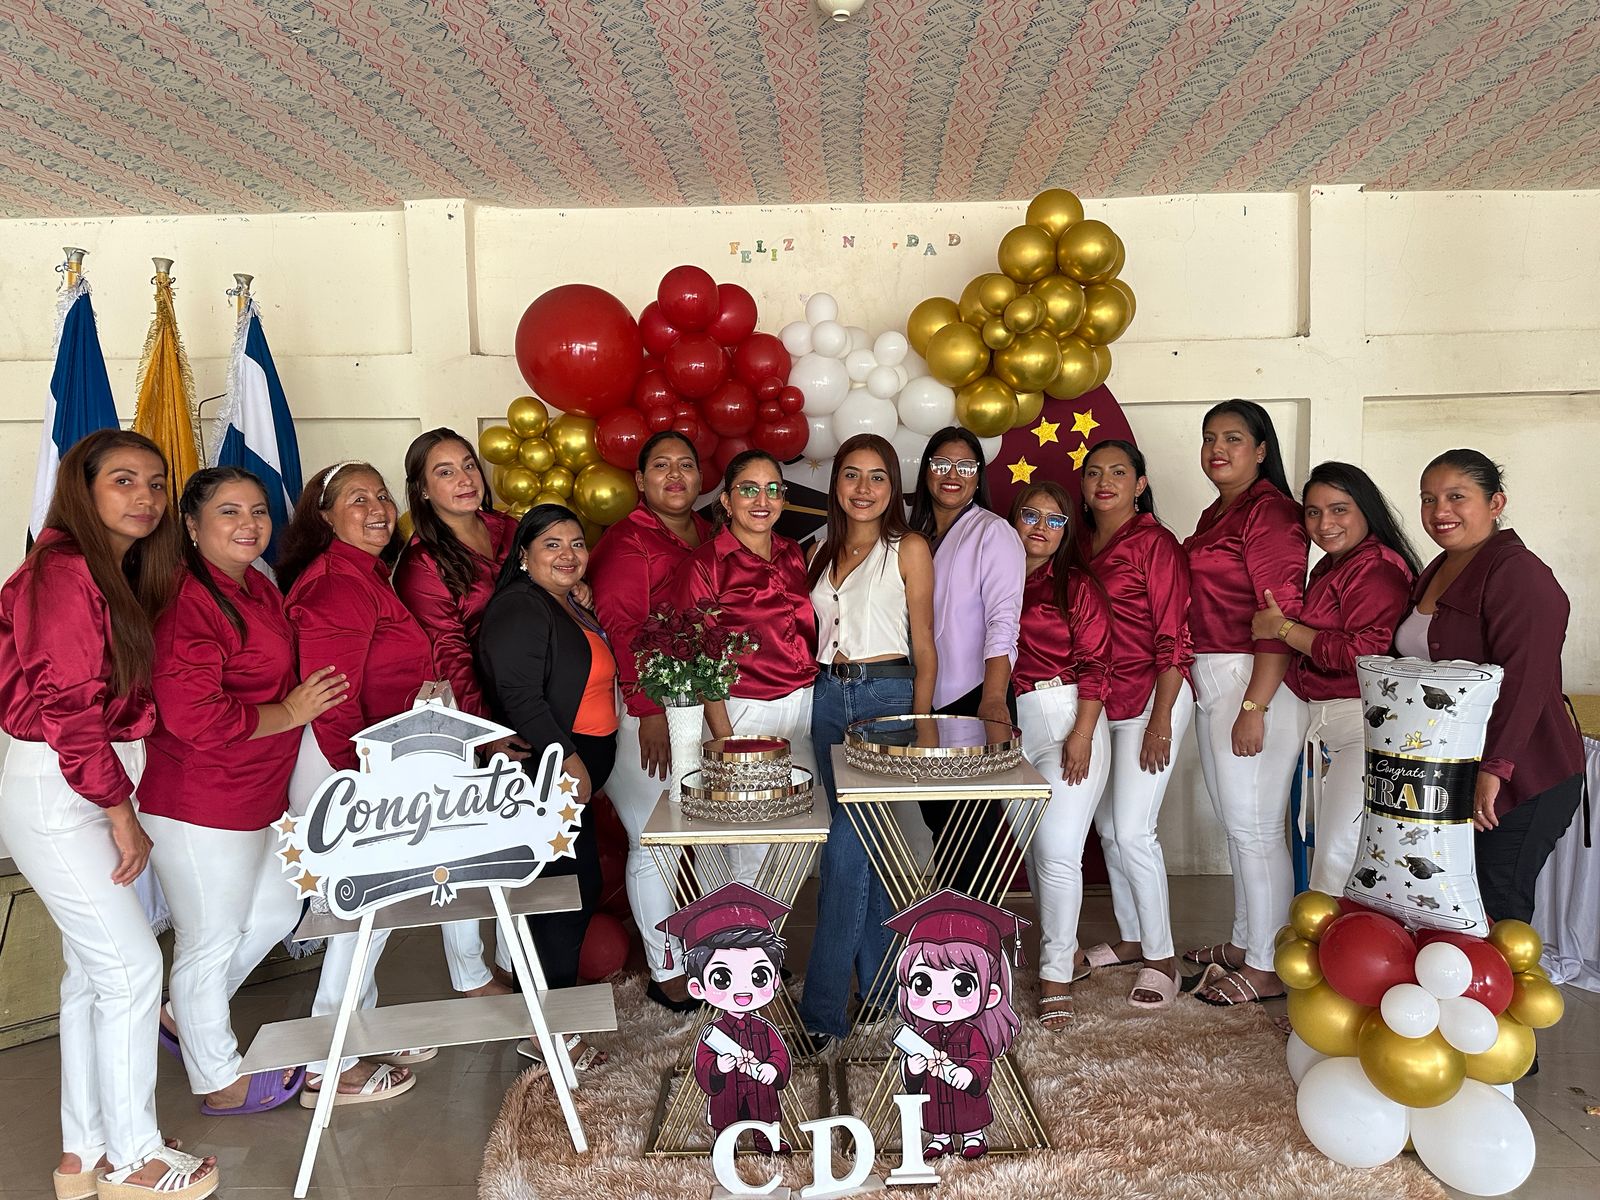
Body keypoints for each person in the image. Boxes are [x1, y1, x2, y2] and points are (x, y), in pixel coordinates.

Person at [0, 430, 222, 1200]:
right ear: (82, 489)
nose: (147, 497)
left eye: (157, 483)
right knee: (131, 970)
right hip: (67, 787)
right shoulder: (63, 569)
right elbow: (68, 707)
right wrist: (119, 810)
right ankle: (135, 1160)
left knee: (91, 975)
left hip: (91, 778)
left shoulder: (107, 571)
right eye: (123, 480)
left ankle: (84, 1152)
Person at [142, 468, 347, 1118]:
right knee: (210, 937)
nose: (249, 523)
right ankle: (218, 1078)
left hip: (262, 791)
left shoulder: (257, 584)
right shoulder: (186, 600)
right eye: (228, 512)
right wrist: (289, 712)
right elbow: (194, 716)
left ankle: (183, 1016)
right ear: (192, 526)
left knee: (276, 912)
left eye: (258, 510)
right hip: (201, 797)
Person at [278, 460, 432, 1106]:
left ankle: (357, 1029)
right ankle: (327, 1061)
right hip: (343, 762)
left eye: (381, 495)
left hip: (367, 759)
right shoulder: (336, 584)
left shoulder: (363, 574)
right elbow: (332, 697)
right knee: (362, 908)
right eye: (356, 499)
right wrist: (362, 780)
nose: (377, 508)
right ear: (324, 515)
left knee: (374, 910)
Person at [1399, 450, 1583, 923]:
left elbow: (1526, 682)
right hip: (1453, 772)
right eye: (1428, 499)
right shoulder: (1439, 569)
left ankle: (1503, 979)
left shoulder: (1518, 573)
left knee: (1496, 906)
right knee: (1448, 905)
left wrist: (1495, 768)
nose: (1440, 511)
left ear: (1496, 503)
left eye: (1456, 497)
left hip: (1522, 774)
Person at [797, 434, 937, 1049]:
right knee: (866, 849)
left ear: (893, 487)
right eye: (851, 475)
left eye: (877, 477)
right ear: (836, 483)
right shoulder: (817, 551)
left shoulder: (908, 548)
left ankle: (822, 1011)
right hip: (826, 697)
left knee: (845, 851)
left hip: (886, 701)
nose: (863, 488)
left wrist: (924, 720)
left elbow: (926, 641)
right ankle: (881, 992)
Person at [478, 504, 616, 1072]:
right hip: (549, 771)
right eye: (552, 544)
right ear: (523, 555)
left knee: (572, 890)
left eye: (576, 543)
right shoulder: (520, 606)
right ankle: (546, 1033)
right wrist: (568, 760)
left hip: (571, 767)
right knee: (560, 896)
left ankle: (547, 1019)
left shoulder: (561, 602)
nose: (568, 554)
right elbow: (520, 697)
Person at [1181, 401, 1309, 1007]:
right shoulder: (1218, 511)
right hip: (1216, 674)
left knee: (1256, 830)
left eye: (1233, 438)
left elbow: (1280, 615)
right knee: (1238, 827)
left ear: (1261, 450)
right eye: (1209, 437)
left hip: (1253, 677)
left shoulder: (1272, 512)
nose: (1217, 449)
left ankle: (1266, 966)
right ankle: (1244, 942)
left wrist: (1255, 705)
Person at [1251, 462, 1418, 895]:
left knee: (1338, 857)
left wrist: (1282, 629)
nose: (1325, 523)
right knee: (1330, 853)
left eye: (1339, 509)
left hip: (1366, 727)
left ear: (1366, 509)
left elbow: (1364, 653)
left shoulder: (1376, 566)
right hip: (1332, 726)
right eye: (1313, 512)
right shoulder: (1330, 566)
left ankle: (1339, 940)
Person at [394, 428, 520, 999]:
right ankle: (470, 974)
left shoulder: (508, 530)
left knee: (518, 840)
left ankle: (511, 959)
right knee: (466, 849)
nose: (464, 478)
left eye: (468, 465)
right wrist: (484, 731)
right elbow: (447, 652)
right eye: (444, 471)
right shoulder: (423, 562)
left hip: (528, 698)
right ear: (422, 490)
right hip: (469, 713)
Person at [588, 431, 712, 1013]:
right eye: (661, 465)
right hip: (647, 711)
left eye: (685, 464)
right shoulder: (626, 542)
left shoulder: (709, 532)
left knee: (704, 837)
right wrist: (648, 710)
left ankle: (716, 948)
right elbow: (621, 628)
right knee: (654, 838)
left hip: (701, 706)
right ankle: (666, 971)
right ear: (639, 480)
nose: (675, 475)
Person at [1078, 439, 1195, 1008]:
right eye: (1094, 473)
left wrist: (1161, 719)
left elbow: (1175, 638)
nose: (1105, 482)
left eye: (1118, 472)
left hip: (1153, 697)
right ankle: (1131, 938)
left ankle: (1163, 959)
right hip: (1101, 703)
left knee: (1133, 831)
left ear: (1140, 484)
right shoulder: (1079, 544)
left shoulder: (1155, 543)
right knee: (1107, 829)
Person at [677, 450, 819, 886]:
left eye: (773, 489)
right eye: (749, 489)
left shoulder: (793, 553)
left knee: (799, 842)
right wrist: (726, 740)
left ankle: (765, 933)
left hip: (804, 709)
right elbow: (697, 659)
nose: (763, 500)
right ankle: (733, 932)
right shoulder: (706, 564)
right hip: (745, 713)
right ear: (726, 500)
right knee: (747, 850)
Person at [1005, 482, 1112, 1026]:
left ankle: (1055, 978)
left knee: (1058, 852)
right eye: (1031, 515)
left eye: (1055, 520)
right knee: (1034, 848)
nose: (1041, 528)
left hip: (1067, 716)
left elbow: (1097, 664)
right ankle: (1064, 953)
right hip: (1011, 724)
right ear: (1013, 519)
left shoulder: (1075, 584)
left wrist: (1082, 733)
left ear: (1068, 531)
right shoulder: (997, 578)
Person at [907, 427, 1024, 894]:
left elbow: (1003, 621)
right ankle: (949, 927)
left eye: (965, 466)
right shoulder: (913, 535)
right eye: (941, 464)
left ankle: (974, 929)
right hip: (923, 701)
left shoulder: (993, 532)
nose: (951, 474)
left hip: (975, 697)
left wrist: (993, 700)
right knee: (942, 825)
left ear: (979, 476)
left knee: (971, 833)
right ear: (926, 472)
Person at [887, 890, 1025, 1162]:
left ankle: (974, 1136)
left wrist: (969, 1074)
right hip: (935, 1093)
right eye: (922, 984)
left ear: (991, 994)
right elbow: (912, 1076)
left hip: (964, 1092)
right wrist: (912, 1068)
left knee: (967, 1112)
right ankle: (940, 1139)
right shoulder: (925, 1034)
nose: (940, 998)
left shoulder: (973, 1034)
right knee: (936, 1114)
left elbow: (982, 1060)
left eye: (961, 985)